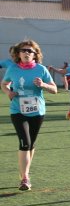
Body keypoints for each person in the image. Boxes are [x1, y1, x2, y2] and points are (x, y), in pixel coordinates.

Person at [1, 40, 57, 190]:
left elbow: (54, 89)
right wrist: (8, 92)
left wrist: (43, 85)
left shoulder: (41, 69)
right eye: (24, 50)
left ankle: (24, 173)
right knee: (25, 142)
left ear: (35, 55)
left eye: (30, 51)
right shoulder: (12, 68)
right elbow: (4, 84)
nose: (27, 53)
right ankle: (25, 178)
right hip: (18, 111)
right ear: (18, 53)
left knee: (31, 144)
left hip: (37, 111)